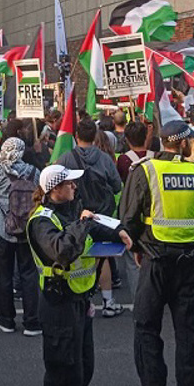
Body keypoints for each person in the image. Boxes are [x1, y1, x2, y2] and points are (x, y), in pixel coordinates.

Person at [27, 165, 132, 386]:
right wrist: (83, 223)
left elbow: (95, 225)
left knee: (83, 370)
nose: (75, 187)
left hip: (79, 302)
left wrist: (119, 231)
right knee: (62, 376)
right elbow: (62, 250)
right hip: (58, 305)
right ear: (55, 189)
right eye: (71, 183)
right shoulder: (41, 221)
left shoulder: (73, 211)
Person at [120, 120, 194, 386]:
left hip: (156, 261)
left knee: (147, 326)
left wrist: (137, 250)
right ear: (186, 144)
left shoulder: (145, 170)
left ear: (162, 141)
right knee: (189, 333)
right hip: (190, 265)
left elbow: (129, 218)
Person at [57, 118, 124, 317]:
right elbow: (117, 185)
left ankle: (82, 298)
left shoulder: (66, 158)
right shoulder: (104, 159)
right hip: (102, 214)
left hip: (76, 216)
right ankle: (108, 301)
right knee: (101, 256)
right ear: (95, 136)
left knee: (79, 256)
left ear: (76, 136)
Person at [0, 137, 42, 335]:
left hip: (1, 229)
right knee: (29, 274)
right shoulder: (33, 171)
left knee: (4, 275)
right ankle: (32, 321)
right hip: (26, 229)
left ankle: (6, 319)